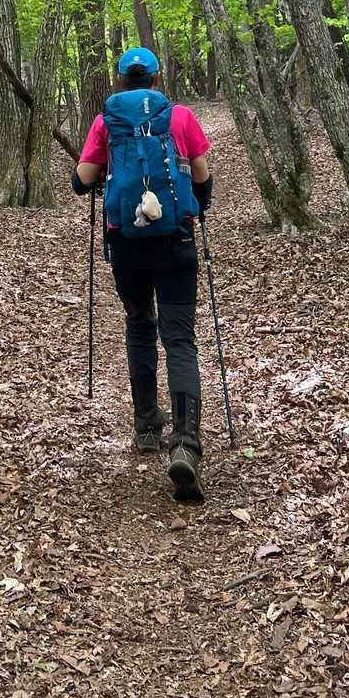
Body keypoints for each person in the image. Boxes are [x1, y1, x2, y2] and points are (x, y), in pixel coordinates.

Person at [72, 47, 213, 504]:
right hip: (176, 240)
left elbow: (82, 179)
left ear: (121, 79)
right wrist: (202, 204)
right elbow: (201, 175)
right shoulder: (180, 117)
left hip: (128, 245)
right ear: (156, 77)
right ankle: (186, 443)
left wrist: (96, 175)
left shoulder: (106, 121)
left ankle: (148, 426)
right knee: (180, 339)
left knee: (138, 326)